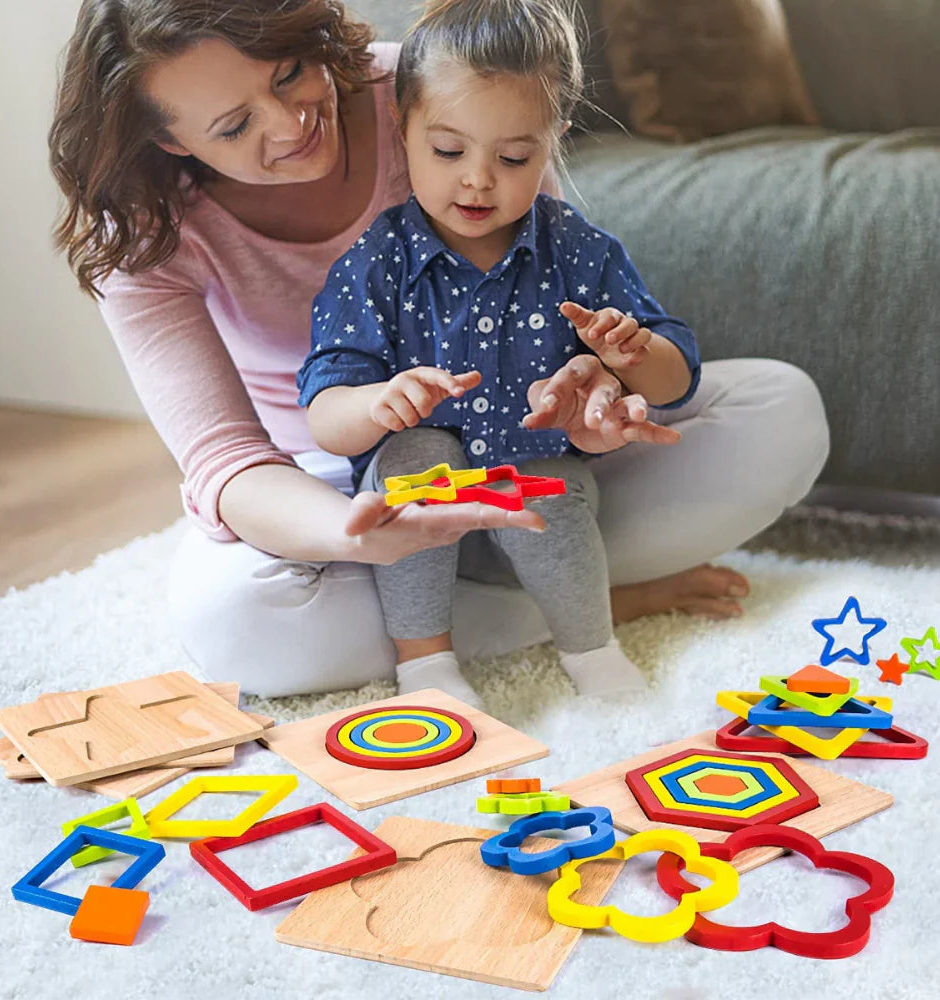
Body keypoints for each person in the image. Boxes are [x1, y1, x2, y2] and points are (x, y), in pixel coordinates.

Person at [49, 0, 829, 699]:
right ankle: (575, 607)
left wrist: (594, 383)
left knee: (780, 409)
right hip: (337, 479)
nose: (289, 124)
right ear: (165, 135)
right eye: (233, 126)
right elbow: (226, 464)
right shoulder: (143, 236)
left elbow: (549, 277)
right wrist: (360, 528)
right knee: (239, 625)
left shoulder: (439, 93)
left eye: (289, 74)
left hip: (531, 451)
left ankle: (515, 596)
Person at [297, 0, 705, 705]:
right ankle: (427, 668)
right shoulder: (376, 262)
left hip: (538, 497)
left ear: (552, 145)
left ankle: (590, 647)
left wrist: (628, 357)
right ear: (404, 133)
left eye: (514, 157)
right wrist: (374, 404)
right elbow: (325, 411)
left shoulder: (573, 246)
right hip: (419, 529)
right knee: (417, 460)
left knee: (551, 479)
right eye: (449, 151)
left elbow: (679, 373)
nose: (479, 180)